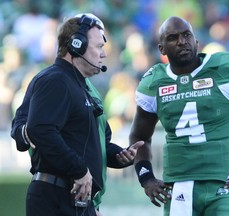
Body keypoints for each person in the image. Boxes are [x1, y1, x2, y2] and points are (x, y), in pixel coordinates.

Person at [129, 16, 229, 216]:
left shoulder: (223, 69)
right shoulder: (154, 82)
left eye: (187, 35)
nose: (181, 41)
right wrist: (146, 178)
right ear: (162, 49)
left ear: (196, 41)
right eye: (172, 37)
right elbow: (138, 137)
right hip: (179, 187)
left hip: (224, 186)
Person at [11, 13, 143, 216]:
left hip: (79, 200)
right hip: (56, 197)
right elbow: (38, 129)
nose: (104, 54)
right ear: (76, 45)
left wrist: (119, 155)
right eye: (98, 46)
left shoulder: (86, 88)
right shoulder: (54, 80)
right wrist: (79, 170)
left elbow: (94, 143)